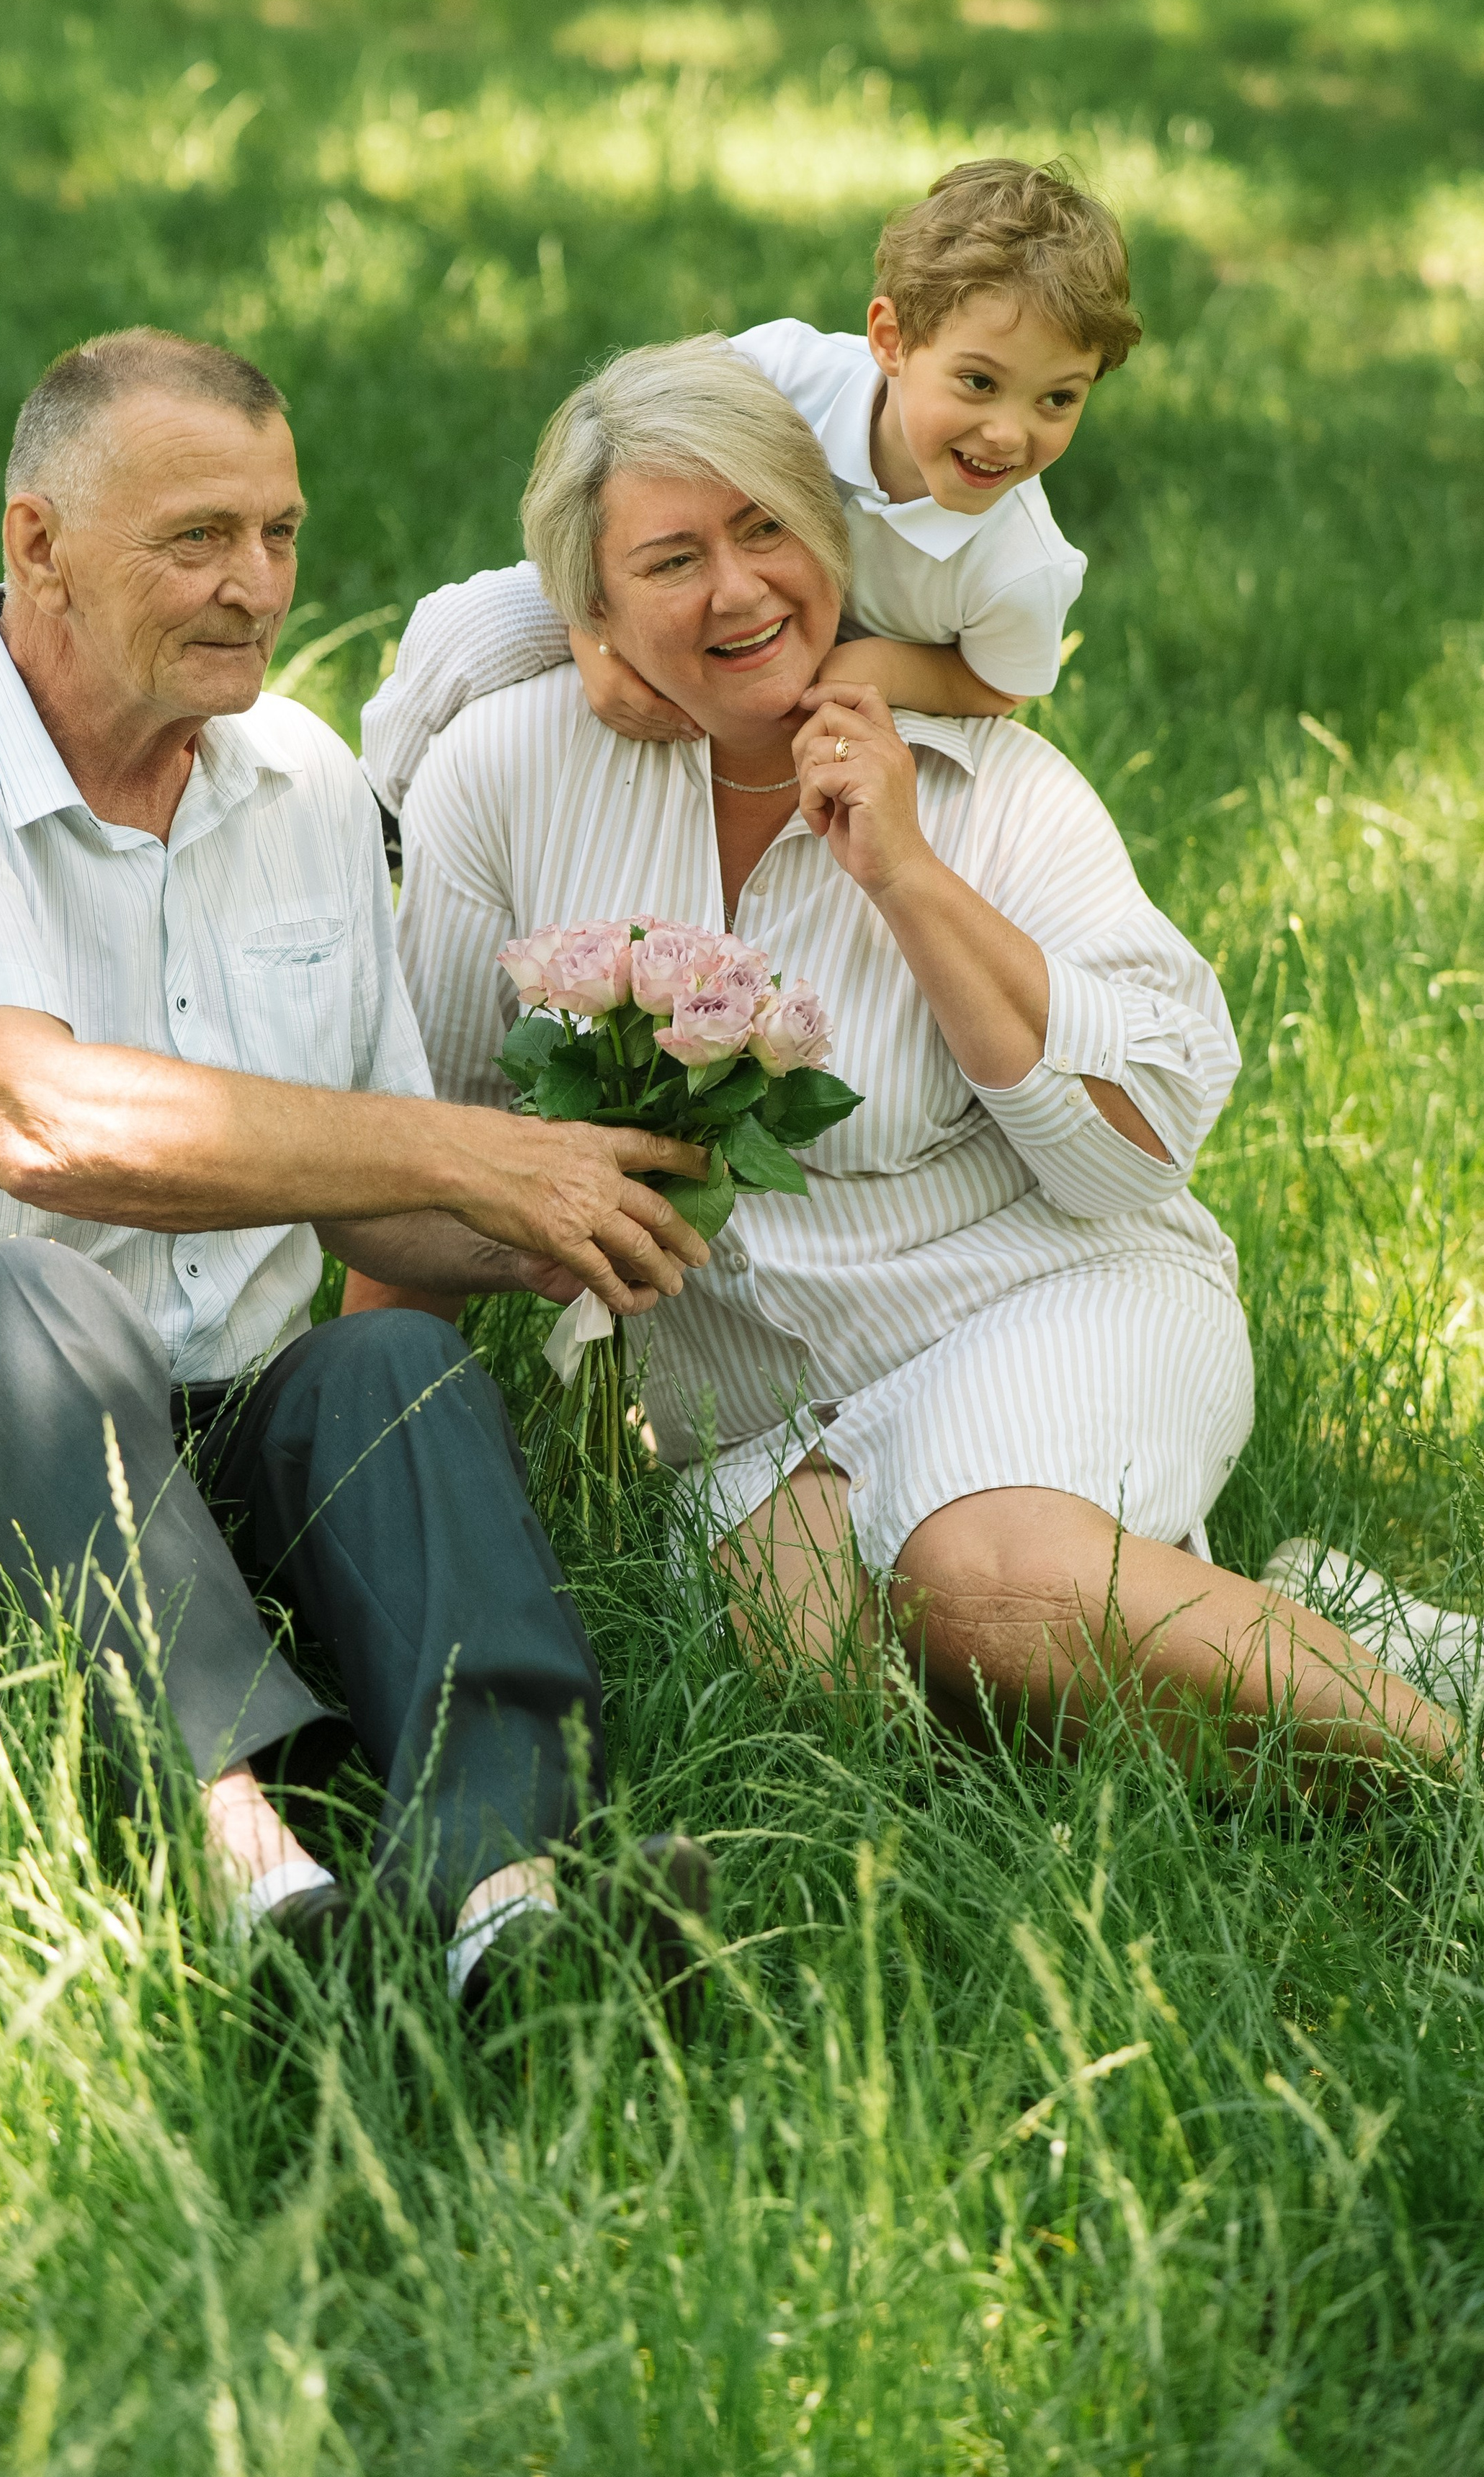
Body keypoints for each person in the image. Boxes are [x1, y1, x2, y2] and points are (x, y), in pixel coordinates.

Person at [0, 326, 714, 2004]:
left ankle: (510, 1892)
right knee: (33, 1298)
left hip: (200, 1469)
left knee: (392, 1359)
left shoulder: (308, 785)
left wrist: (592, 1188)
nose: (253, 583)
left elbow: (378, 1196)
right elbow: (28, 1119)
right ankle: (246, 1880)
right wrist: (464, 1149)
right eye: (196, 537)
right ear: (35, 542)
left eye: (279, 532)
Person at [380, 333, 1475, 1780]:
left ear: (829, 531)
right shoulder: (501, 778)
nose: (736, 588)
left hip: (1044, 1294)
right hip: (751, 1421)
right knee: (830, 1712)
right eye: (669, 560)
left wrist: (902, 873)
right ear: (590, 605)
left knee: (988, 1589)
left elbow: (1125, 1153)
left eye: (767, 527)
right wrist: (366, 1480)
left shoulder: (989, 784)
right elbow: (418, 1150)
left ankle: (1441, 1774)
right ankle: (1304, 1619)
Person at [361, 157, 1131, 826]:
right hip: (677, 581)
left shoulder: (1021, 566)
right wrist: (592, 636)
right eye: (977, 382)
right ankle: (383, 812)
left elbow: (996, 684)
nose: (1007, 432)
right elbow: (631, 447)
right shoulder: (785, 371)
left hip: (824, 652)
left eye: (1057, 400)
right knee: (469, 623)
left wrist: (874, 669)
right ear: (890, 341)